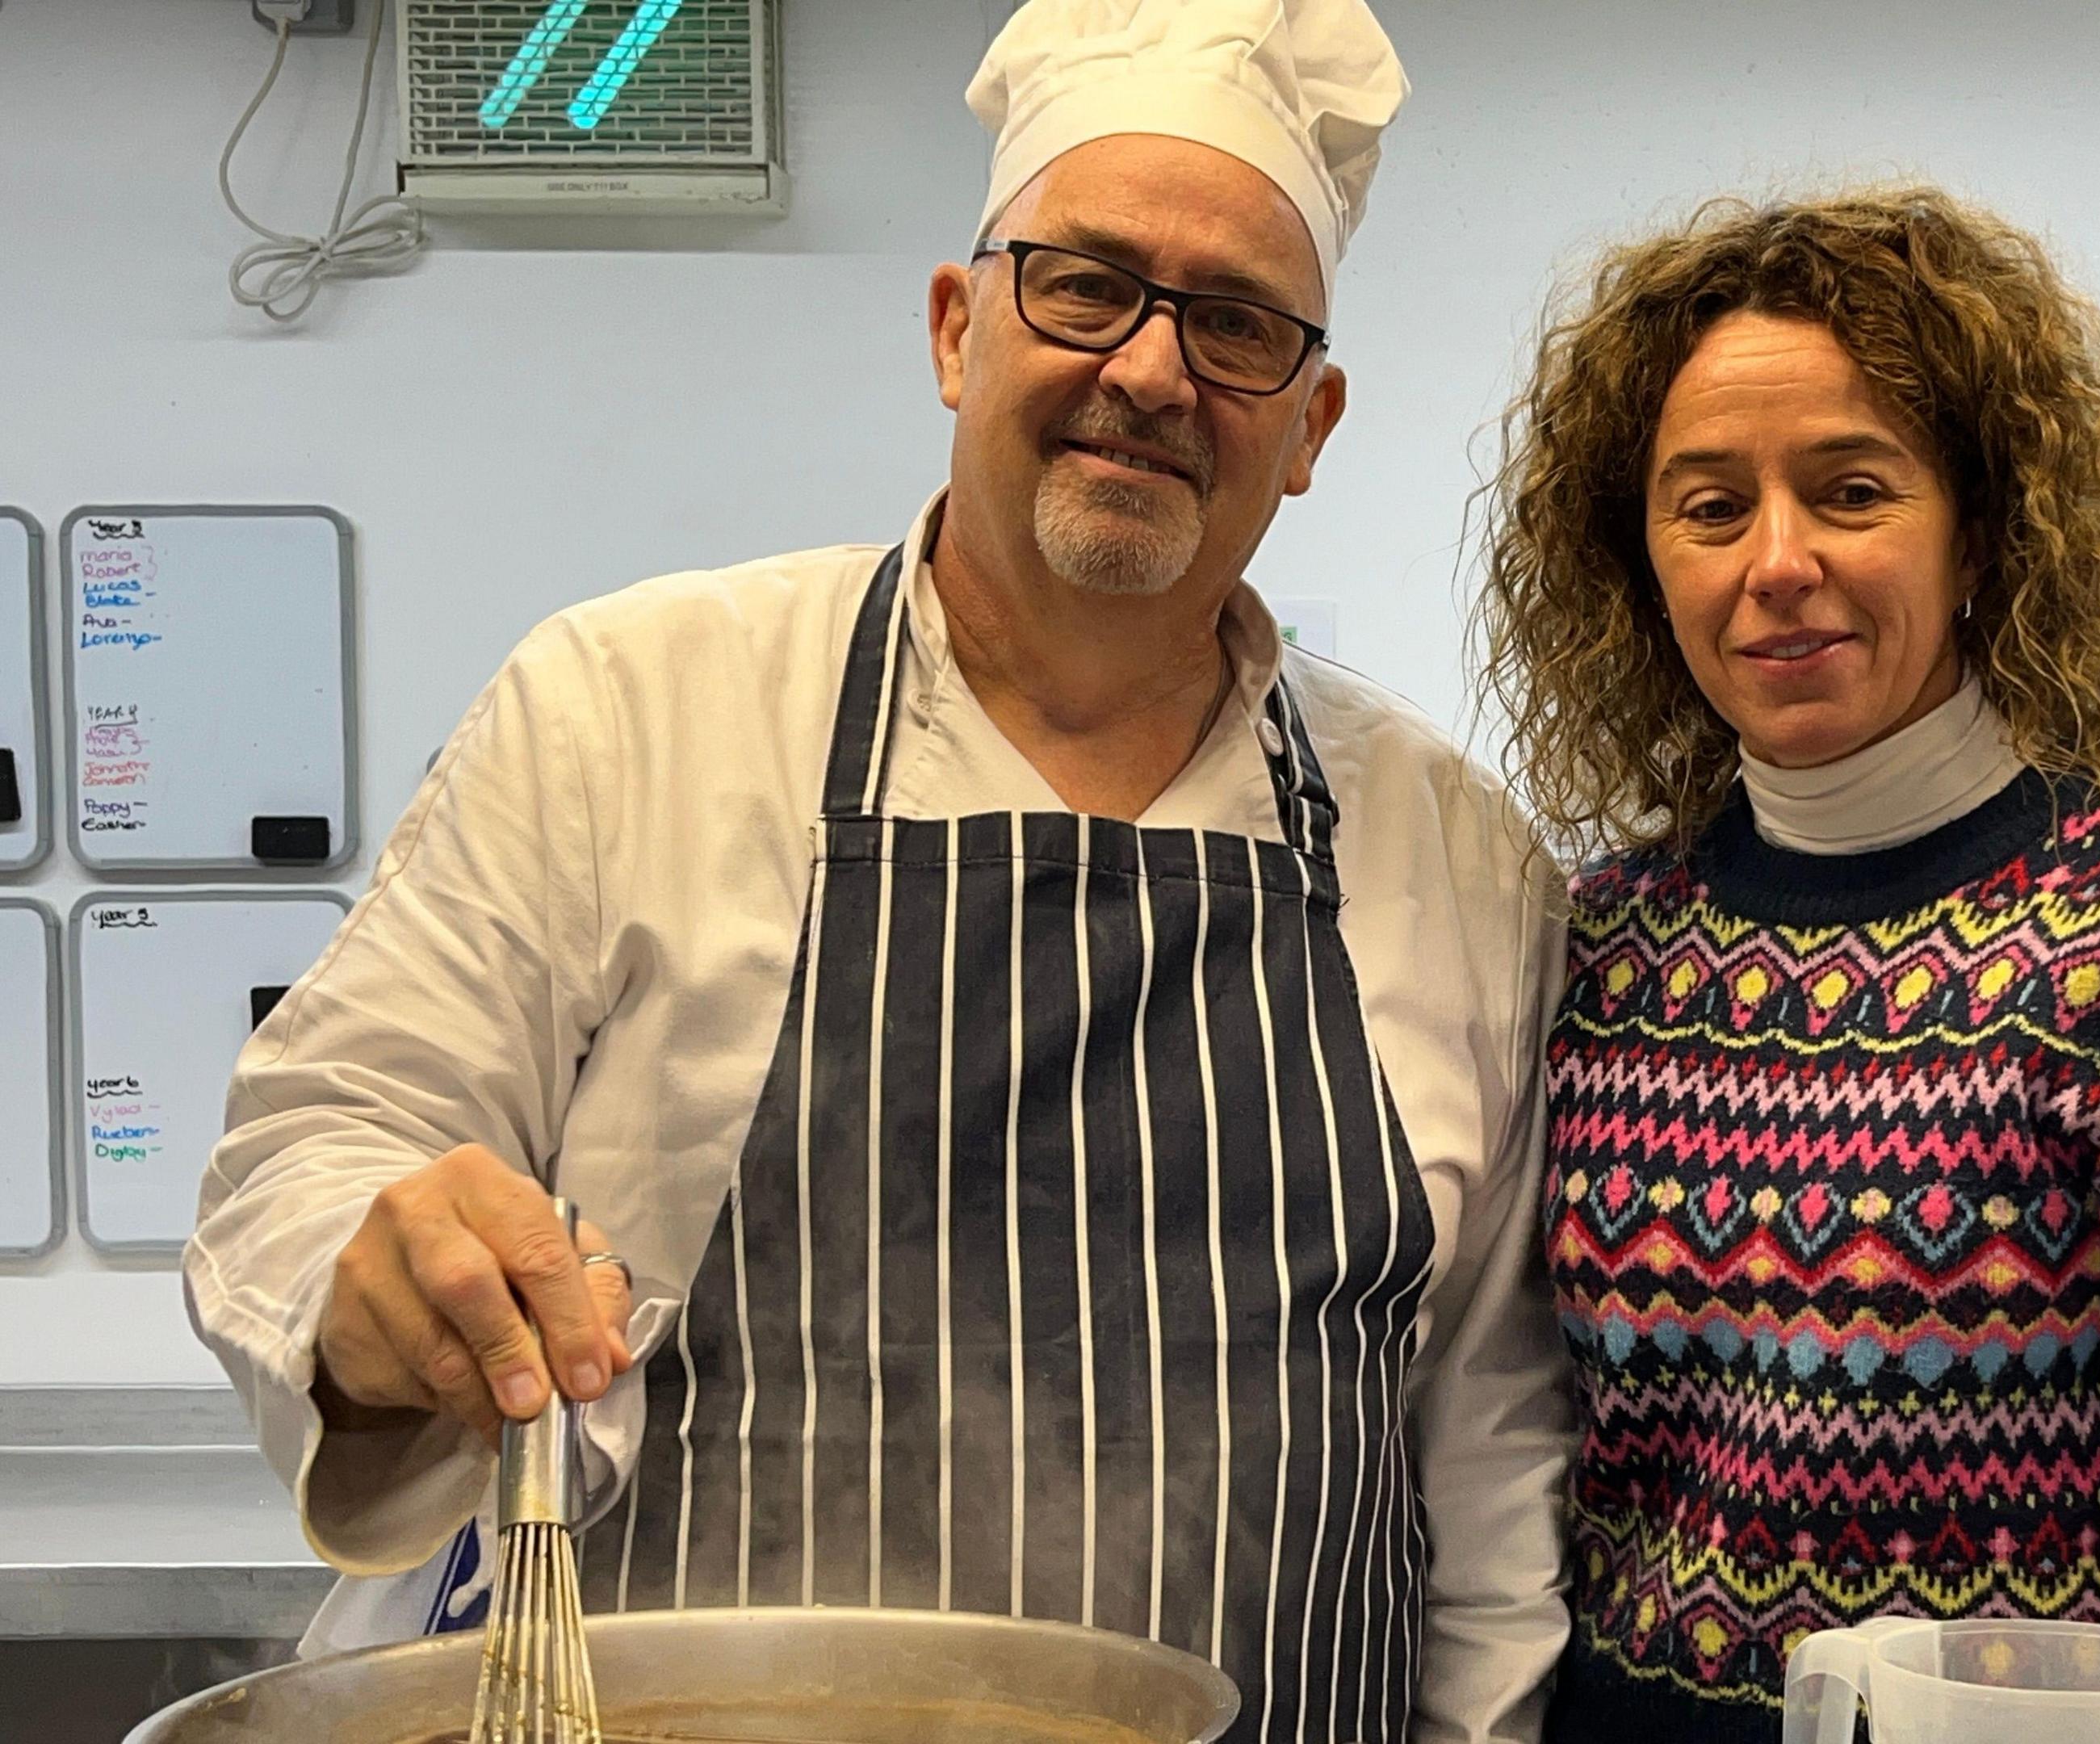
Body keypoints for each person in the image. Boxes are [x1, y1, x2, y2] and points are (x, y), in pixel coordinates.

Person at [182, 5, 1573, 1740]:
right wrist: (375, 1284)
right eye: (1083, 285)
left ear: (1310, 424)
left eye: (1234, 328)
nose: (1148, 372)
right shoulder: (629, 712)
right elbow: (321, 1136)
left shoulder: (1456, 856)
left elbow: (1493, 1479)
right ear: (953, 327)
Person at [1476, 187, 2100, 1744]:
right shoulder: (1604, 945)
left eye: (1850, 490)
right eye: (1709, 507)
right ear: (1641, 561)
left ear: (1984, 527)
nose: (1774, 563)